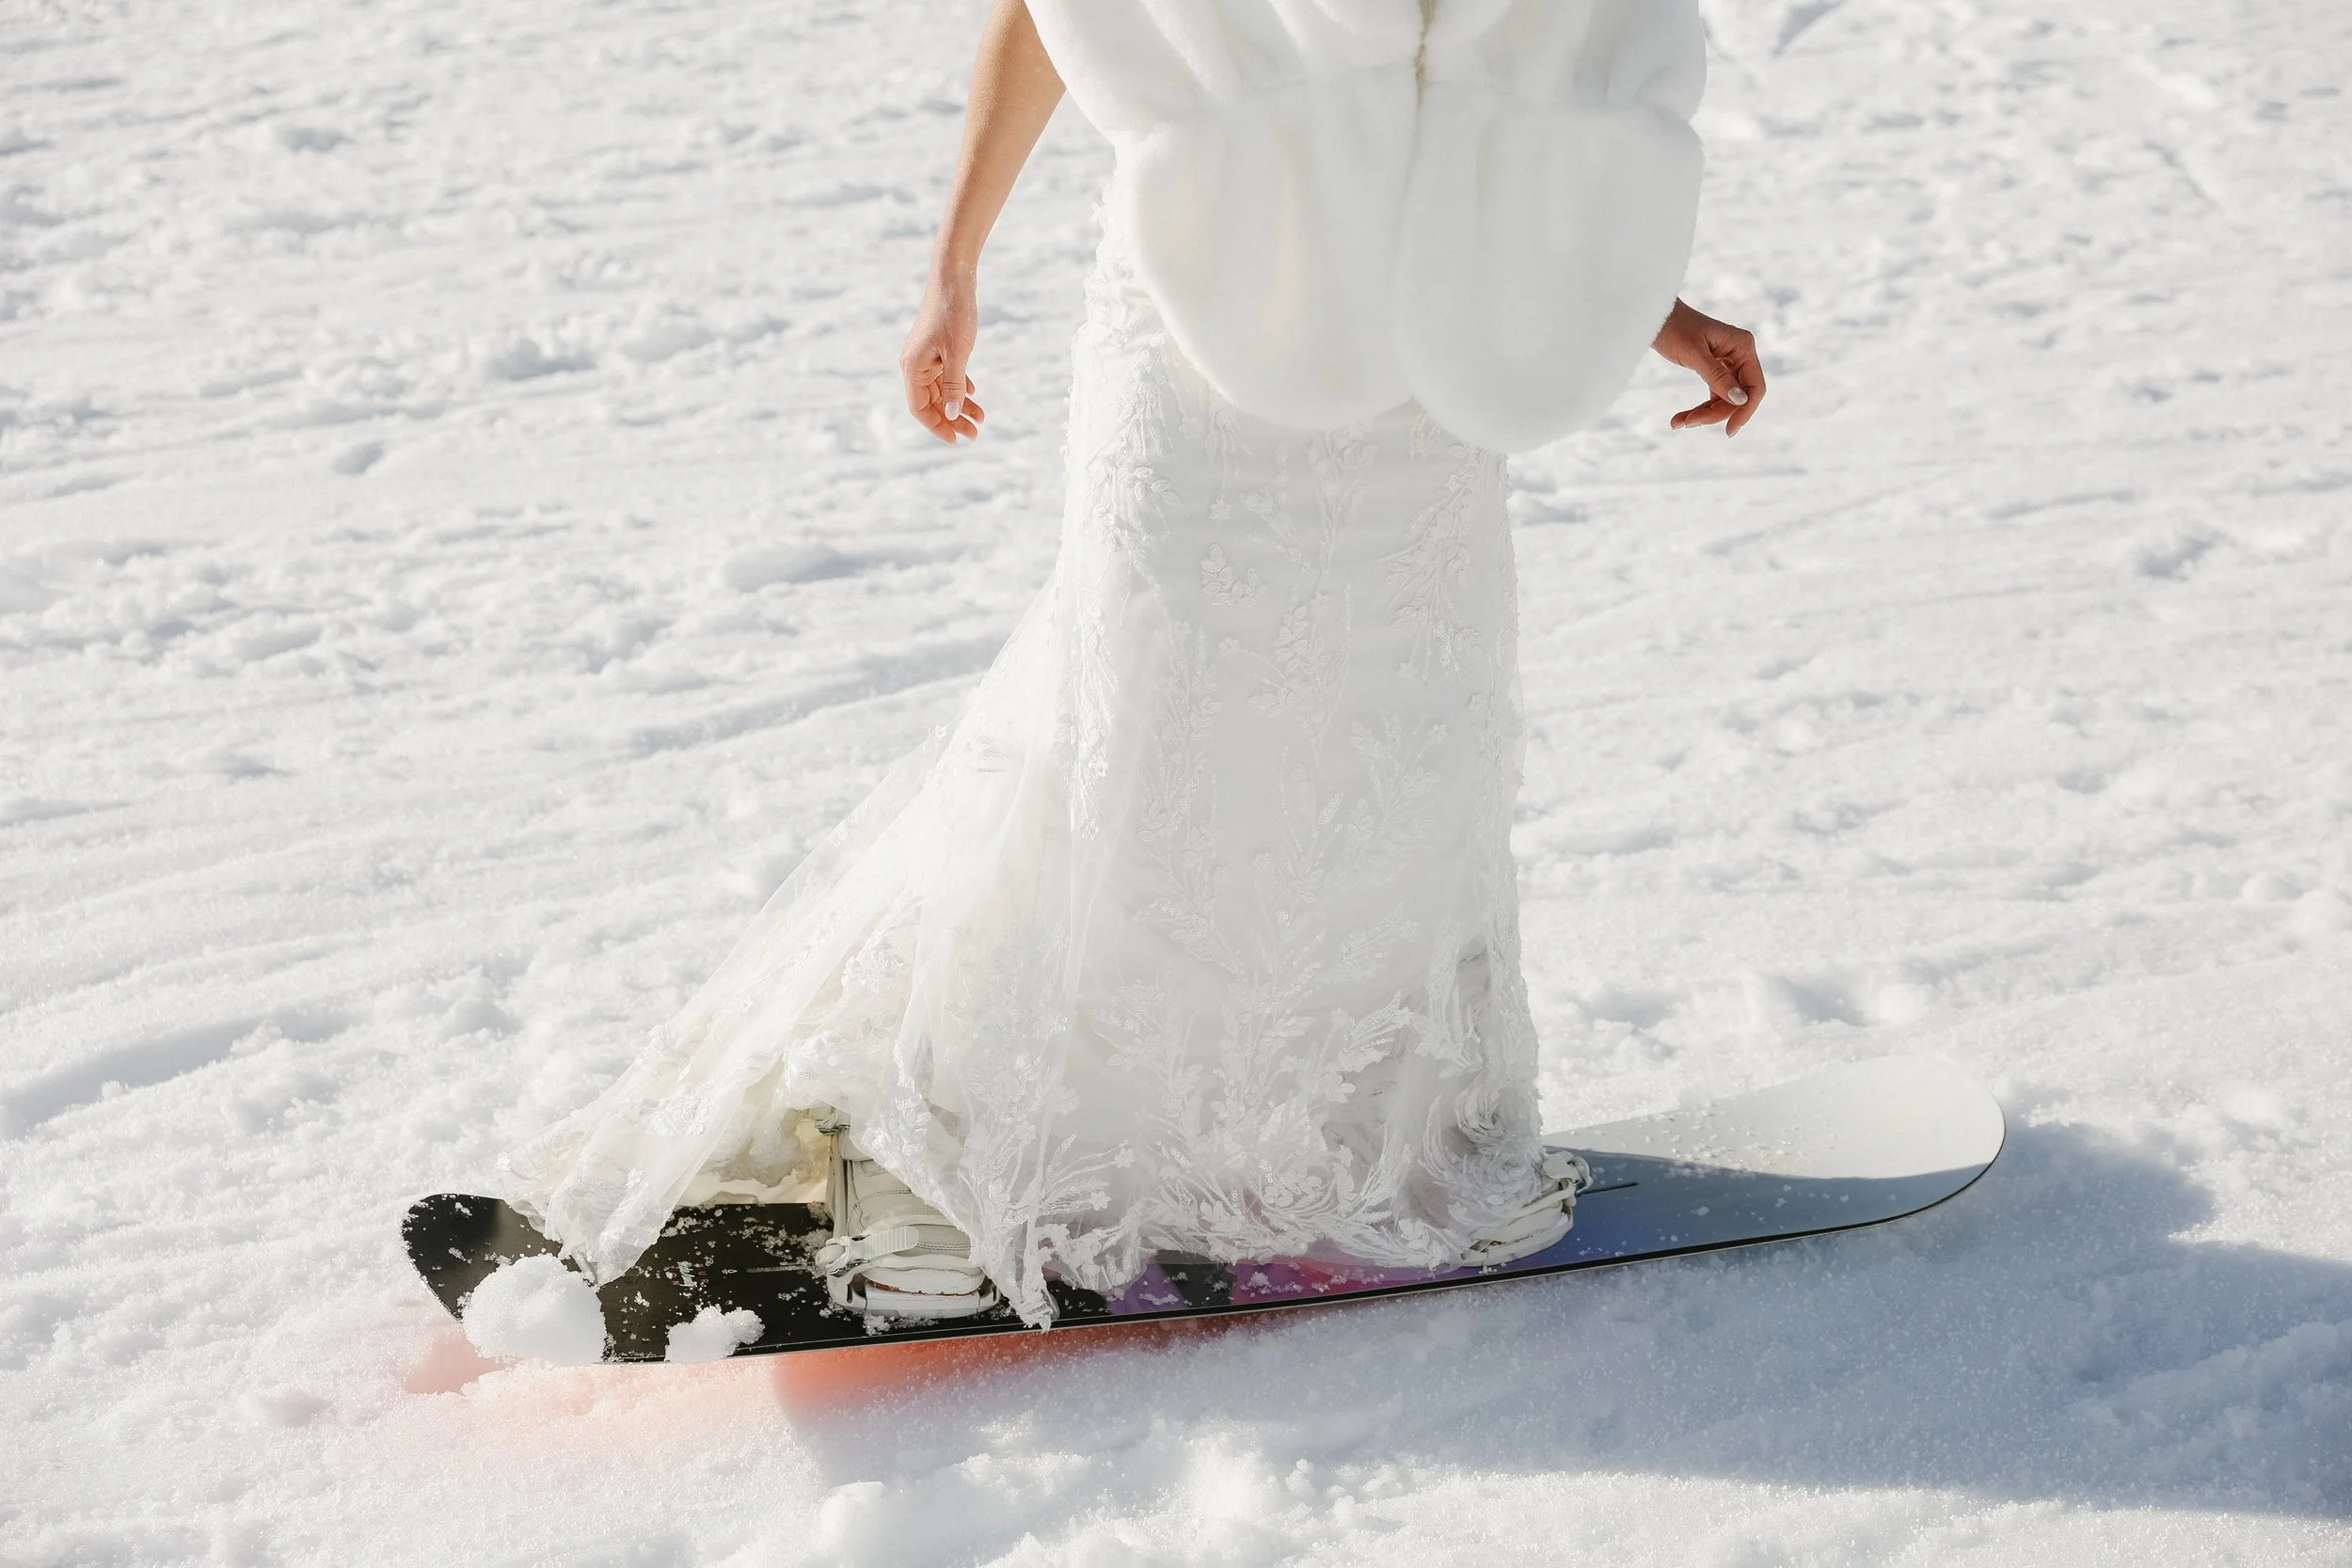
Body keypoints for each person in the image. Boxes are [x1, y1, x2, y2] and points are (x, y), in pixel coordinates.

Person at [501, 0, 1765, 1329]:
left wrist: (1643, 310)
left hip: (1419, 403)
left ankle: (1377, 1152)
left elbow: (1497, 84)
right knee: (1141, 732)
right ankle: (959, 1160)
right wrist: (953, 269)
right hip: (1201, 343)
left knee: (1396, 749)